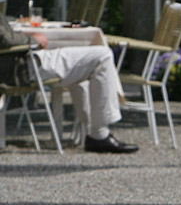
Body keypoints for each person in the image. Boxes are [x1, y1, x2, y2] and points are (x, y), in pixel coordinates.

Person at [0, 16, 138, 153]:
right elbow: (5, 39)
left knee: (88, 64)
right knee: (102, 56)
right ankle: (98, 135)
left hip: (19, 65)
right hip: (21, 67)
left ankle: (95, 132)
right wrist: (34, 39)